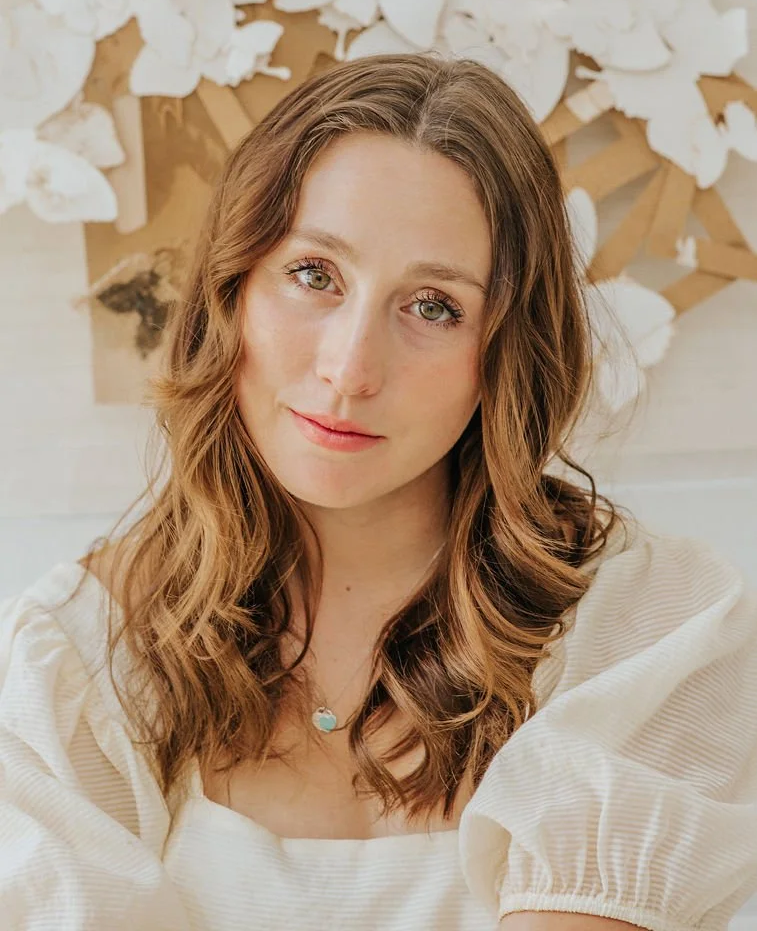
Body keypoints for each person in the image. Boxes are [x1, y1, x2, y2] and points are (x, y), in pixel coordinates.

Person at [1, 53, 756, 931]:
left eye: (432, 305)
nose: (350, 369)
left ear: (503, 353)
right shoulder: (79, 666)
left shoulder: (645, 628)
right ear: (234, 288)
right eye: (314, 275)